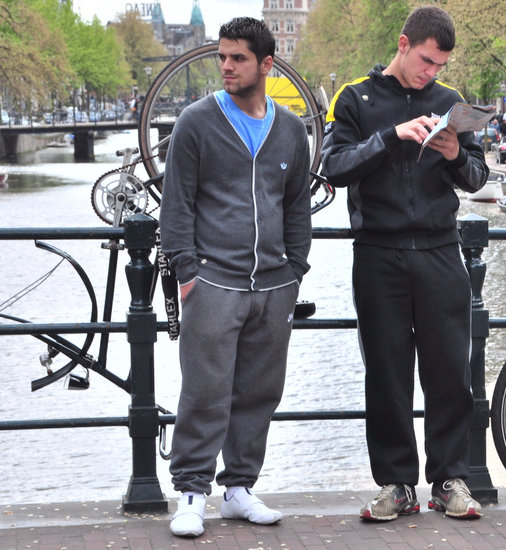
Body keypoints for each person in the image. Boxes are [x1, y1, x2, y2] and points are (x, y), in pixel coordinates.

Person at [321, 5, 488, 522]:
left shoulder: (450, 102)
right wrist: (391, 137)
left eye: (439, 65)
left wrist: (456, 151)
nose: (431, 72)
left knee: (449, 372)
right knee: (387, 374)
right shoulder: (354, 97)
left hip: (441, 250)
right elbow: (332, 165)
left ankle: (449, 480)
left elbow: (477, 178)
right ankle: (397, 484)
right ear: (402, 43)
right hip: (378, 252)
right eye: (425, 60)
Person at [160, 16, 312, 538]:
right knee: (204, 391)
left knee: (259, 391)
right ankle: (191, 492)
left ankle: (239, 489)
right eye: (221, 57)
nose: (226, 66)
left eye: (237, 58)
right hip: (213, 281)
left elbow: (296, 208)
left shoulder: (291, 130)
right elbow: (175, 206)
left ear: (266, 64)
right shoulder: (196, 122)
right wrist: (186, 270)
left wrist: (295, 271)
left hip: (273, 285)